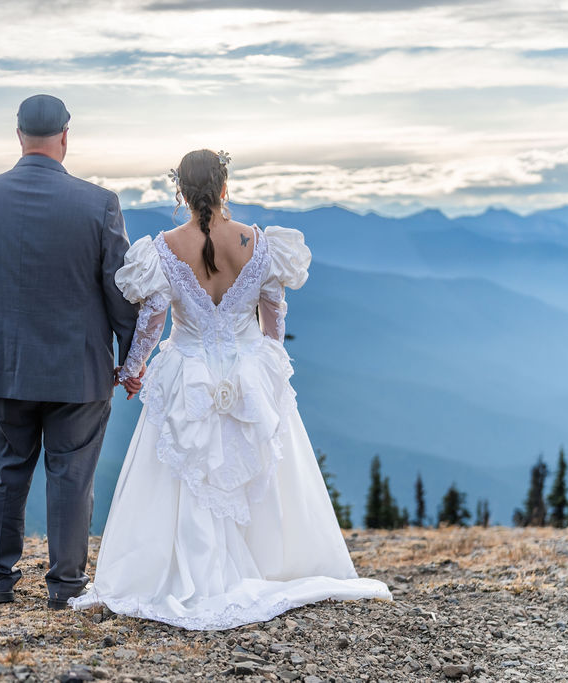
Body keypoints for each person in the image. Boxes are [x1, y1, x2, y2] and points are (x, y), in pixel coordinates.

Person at [69, 149, 391, 629]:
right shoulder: (259, 243)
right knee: (259, 466)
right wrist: (269, 362)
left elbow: (152, 323)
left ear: (179, 190)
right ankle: (269, 564)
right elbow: (274, 314)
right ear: (224, 187)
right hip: (248, 372)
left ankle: (189, 573)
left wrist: (131, 369)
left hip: (187, 373)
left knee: (186, 472)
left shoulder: (162, 248)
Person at [0, 94, 138, 610]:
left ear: (17, 136)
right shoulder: (99, 203)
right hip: (79, 371)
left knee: (5, 469)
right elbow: (119, 289)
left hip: (4, 365)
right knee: (71, 475)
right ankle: (66, 586)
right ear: (64, 136)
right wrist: (130, 354)